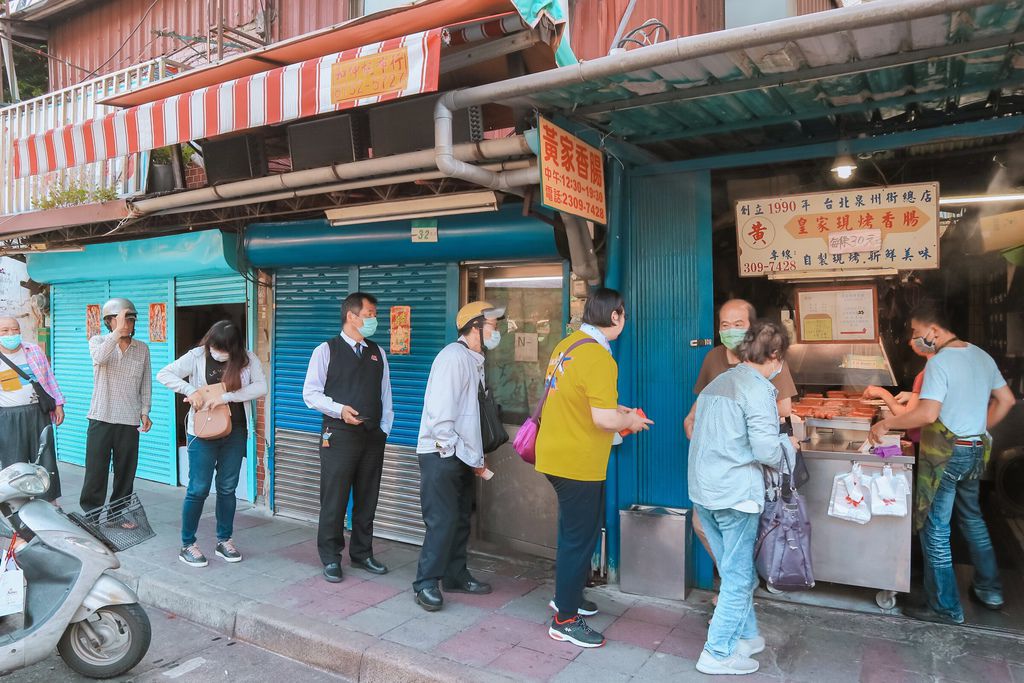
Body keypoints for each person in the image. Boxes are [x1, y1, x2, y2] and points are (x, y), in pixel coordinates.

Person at [870, 302, 1015, 625]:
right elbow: (1007, 400)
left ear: (933, 331)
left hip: (945, 455)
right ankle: (990, 590)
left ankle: (945, 606)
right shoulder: (981, 356)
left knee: (935, 529)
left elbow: (927, 414)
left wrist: (885, 424)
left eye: (916, 333)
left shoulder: (940, 362)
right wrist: (978, 427)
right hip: (975, 449)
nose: (916, 338)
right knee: (973, 520)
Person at [535, 288, 652, 649]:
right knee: (579, 537)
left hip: (555, 453)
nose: (625, 320)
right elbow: (602, 418)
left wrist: (620, 412)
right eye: (624, 314)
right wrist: (628, 419)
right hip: (578, 461)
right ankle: (565, 620)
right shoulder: (601, 359)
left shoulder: (566, 346)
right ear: (615, 315)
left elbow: (582, 401)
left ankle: (565, 597)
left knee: (572, 532)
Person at [689, 320, 796, 676]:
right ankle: (717, 652)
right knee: (737, 576)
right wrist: (787, 445)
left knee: (732, 569)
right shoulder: (758, 390)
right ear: (776, 355)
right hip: (735, 495)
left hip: (704, 492)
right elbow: (766, 449)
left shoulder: (719, 382)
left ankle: (746, 635)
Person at [683, 299, 797, 593]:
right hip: (717, 467)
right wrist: (694, 418)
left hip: (754, 464)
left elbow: (784, 408)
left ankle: (741, 584)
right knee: (701, 524)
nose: (730, 330)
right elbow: (701, 403)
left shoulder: (769, 360)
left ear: (752, 328)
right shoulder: (713, 359)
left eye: (738, 324)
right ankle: (739, 582)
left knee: (764, 525)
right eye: (724, 325)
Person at [413, 301, 506, 612]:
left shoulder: (474, 359)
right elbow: (441, 418)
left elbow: (472, 417)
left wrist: (475, 458)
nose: (496, 331)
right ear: (475, 327)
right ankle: (426, 582)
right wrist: (457, 453)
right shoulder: (453, 358)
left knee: (461, 519)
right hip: (442, 453)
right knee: (441, 520)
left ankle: (455, 574)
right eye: (492, 325)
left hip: (462, 455)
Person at [157, 320, 267, 568]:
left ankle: (224, 540)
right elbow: (164, 373)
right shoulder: (197, 355)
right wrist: (190, 390)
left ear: (234, 347)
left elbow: (261, 387)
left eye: (223, 349)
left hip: (235, 431)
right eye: (214, 347)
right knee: (198, 489)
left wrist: (226, 397)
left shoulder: (247, 359)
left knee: (228, 488)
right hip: (202, 432)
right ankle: (188, 544)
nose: (217, 353)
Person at [303, 292, 393, 583]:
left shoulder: (377, 352)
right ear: (351, 316)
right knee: (335, 497)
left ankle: (362, 553)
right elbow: (310, 394)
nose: (374, 319)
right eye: (369, 313)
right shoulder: (326, 350)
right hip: (338, 434)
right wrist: (339, 410)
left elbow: (386, 394)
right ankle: (330, 556)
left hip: (372, 436)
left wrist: (384, 430)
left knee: (368, 497)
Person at [81, 298, 152, 513]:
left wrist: (145, 411)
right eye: (121, 320)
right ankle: (91, 515)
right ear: (109, 321)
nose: (127, 324)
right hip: (101, 417)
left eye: (130, 319)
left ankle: (117, 514)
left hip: (129, 420)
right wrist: (116, 333)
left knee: (125, 472)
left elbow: (146, 382)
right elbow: (100, 358)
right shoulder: (98, 342)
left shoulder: (142, 349)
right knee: (96, 471)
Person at [0, 315, 65, 501]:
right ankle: (18, 509)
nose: (10, 334)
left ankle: (51, 505)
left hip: (38, 413)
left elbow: (50, 379)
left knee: (46, 462)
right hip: (8, 417)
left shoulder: (33, 350)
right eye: (5, 331)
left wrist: (58, 404)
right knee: (13, 465)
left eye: (14, 330)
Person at [863, 330, 936, 444]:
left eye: (914, 336)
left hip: (927, 441)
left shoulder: (926, 374)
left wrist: (882, 393)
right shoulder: (941, 367)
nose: (910, 342)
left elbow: (907, 415)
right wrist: (912, 395)